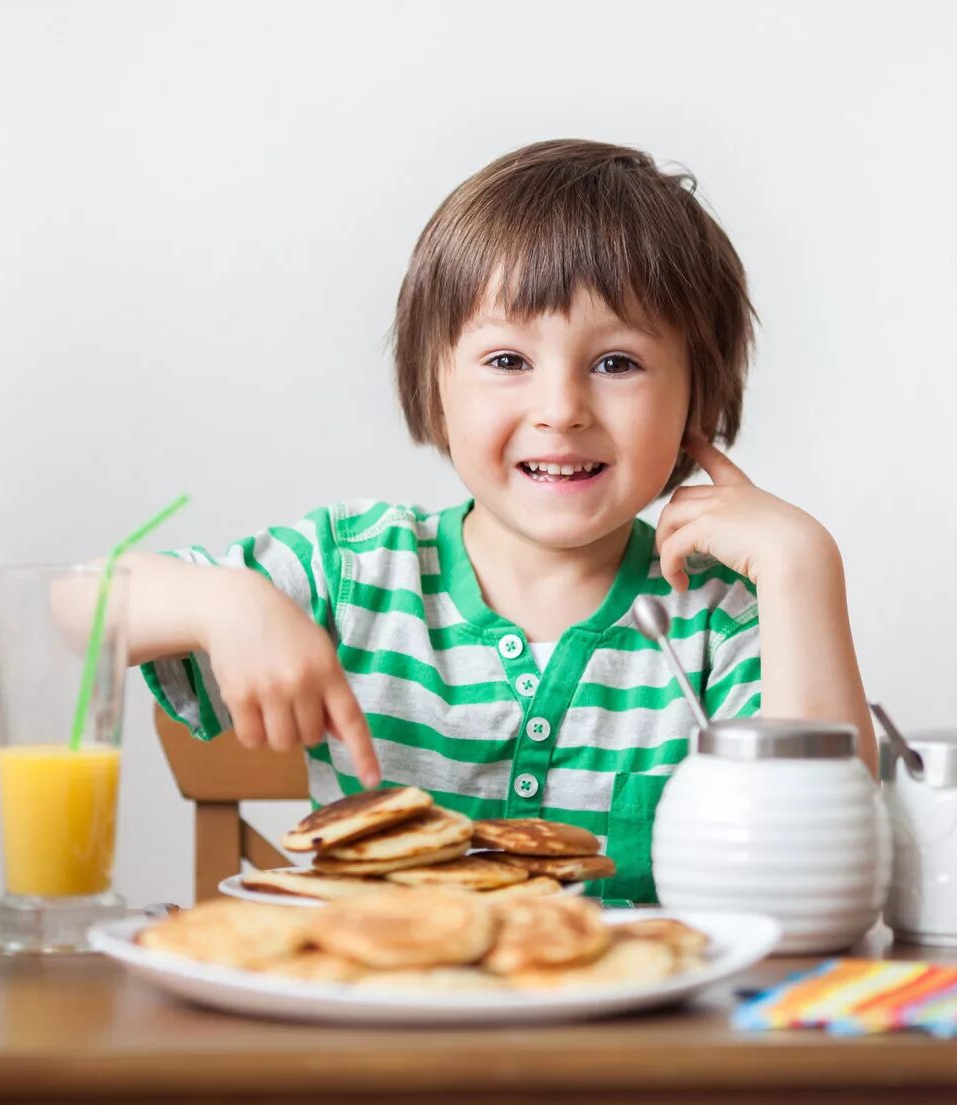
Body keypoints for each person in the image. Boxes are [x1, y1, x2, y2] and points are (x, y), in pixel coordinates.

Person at [118, 139, 872, 902]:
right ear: (433, 382)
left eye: (616, 363)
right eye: (508, 361)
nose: (560, 411)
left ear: (696, 400)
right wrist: (228, 604)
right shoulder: (351, 569)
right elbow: (67, 610)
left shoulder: (724, 616)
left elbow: (825, 864)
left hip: (644, 1014)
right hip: (385, 1006)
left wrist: (802, 569)